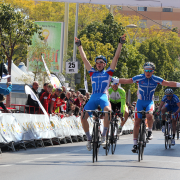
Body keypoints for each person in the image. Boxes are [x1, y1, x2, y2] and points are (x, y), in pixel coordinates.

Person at [112, 62, 180, 153]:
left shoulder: (156, 79)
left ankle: (150, 131)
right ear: (144, 70)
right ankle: (135, 144)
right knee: (136, 123)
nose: (147, 72)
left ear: (153, 71)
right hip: (140, 102)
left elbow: (168, 83)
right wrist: (114, 80)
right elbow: (127, 80)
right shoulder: (139, 77)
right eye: (146, 70)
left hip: (149, 102)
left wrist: (179, 84)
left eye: (150, 71)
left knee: (149, 115)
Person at [75, 34, 125, 151]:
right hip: (93, 97)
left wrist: (120, 44)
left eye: (101, 62)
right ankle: (88, 139)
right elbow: (84, 59)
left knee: (107, 111)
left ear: (104, 64)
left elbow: (116, 58)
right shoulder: (92, 72)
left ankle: (104, 136)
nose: (98, 63)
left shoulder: (108, 73)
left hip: (103, 96)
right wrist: (79, 46)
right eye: (97, 62)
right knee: (83, 116)